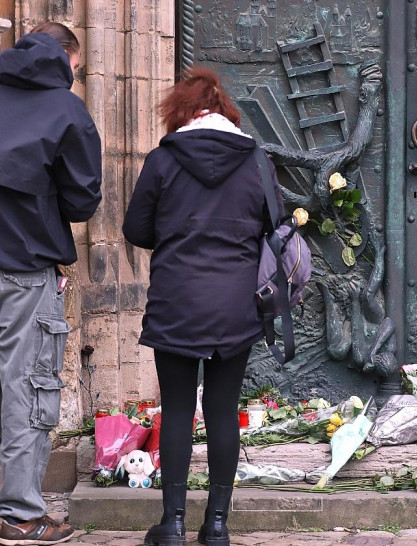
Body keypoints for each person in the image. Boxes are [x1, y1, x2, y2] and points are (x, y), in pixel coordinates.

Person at [123, 66, 284, 546]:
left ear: (180, 114)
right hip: (236, 304)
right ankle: (216, 525)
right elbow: (273, 222)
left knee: (175, 411)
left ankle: (171, 524)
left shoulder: (162, 160)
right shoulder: (256, 160)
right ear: (225, 112)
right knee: (221, 409)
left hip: (177, 299)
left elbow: (136, 230)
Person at [0, 22, 102, 545]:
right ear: (68, 57)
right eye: (77, 69)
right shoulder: (65, 109)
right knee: (23, 385)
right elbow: (84, 199)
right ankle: (18, 513)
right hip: (22, 266)